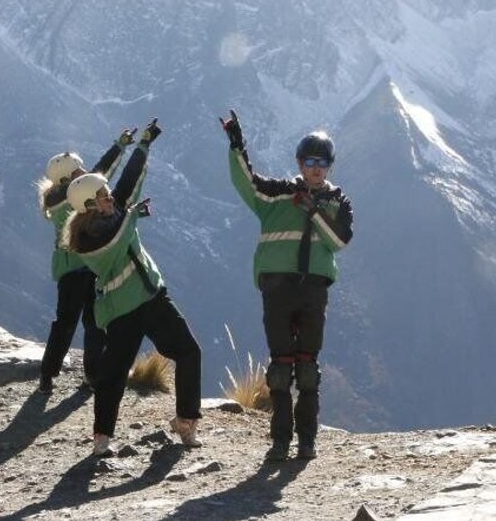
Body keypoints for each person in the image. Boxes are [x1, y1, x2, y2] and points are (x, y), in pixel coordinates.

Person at [63, 119, 202, 456]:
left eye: (106, 193)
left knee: (187, 352)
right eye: (102, 196)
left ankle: (185, 421)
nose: (109, 197)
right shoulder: (89, 241)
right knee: (114, 374)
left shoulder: (115, 215)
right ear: (89, 206)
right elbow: (114, 241)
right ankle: (102, 438)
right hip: (127, 308)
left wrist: (144, 144)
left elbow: (128, 182)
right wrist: (131, 217)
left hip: (149, 298)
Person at [220, 109, 353, 461]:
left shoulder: (338, 202)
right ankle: (279, 442)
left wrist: (313, 210)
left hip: (313, 290)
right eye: (310, 161)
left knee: (307, 370)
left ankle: (306, 441)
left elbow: (339, 241)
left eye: (322, 162)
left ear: (329, 166)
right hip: (277, 289)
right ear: (299, 162)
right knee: (280, 370)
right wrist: (236, 144)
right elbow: (246, 183)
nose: (316, 168)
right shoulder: (277, 195)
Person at [36, 128, 137, 395]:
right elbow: (100, 175)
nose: (83, 173)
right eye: (78, 171)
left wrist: (119, 146)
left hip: (70, 271)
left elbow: (96, 176)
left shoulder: (56, 200)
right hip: (89, 266)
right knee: (94, 323)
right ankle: (92, 376)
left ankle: (48, 375)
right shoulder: (71, 198)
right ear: (69, 177)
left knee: (65, 323)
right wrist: (119, 147)